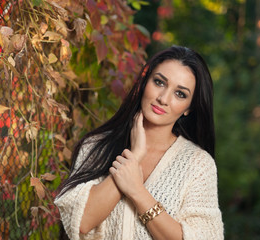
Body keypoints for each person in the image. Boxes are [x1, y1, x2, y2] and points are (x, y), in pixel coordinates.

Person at [54, 46, 224, 240]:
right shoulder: (95, 146)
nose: (163, 99)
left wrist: (136, 190)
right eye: (159, 82)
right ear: (145, 82)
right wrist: (135, 156)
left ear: (189, 108)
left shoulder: (198, 164)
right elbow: (81, 222)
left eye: (180, 94)